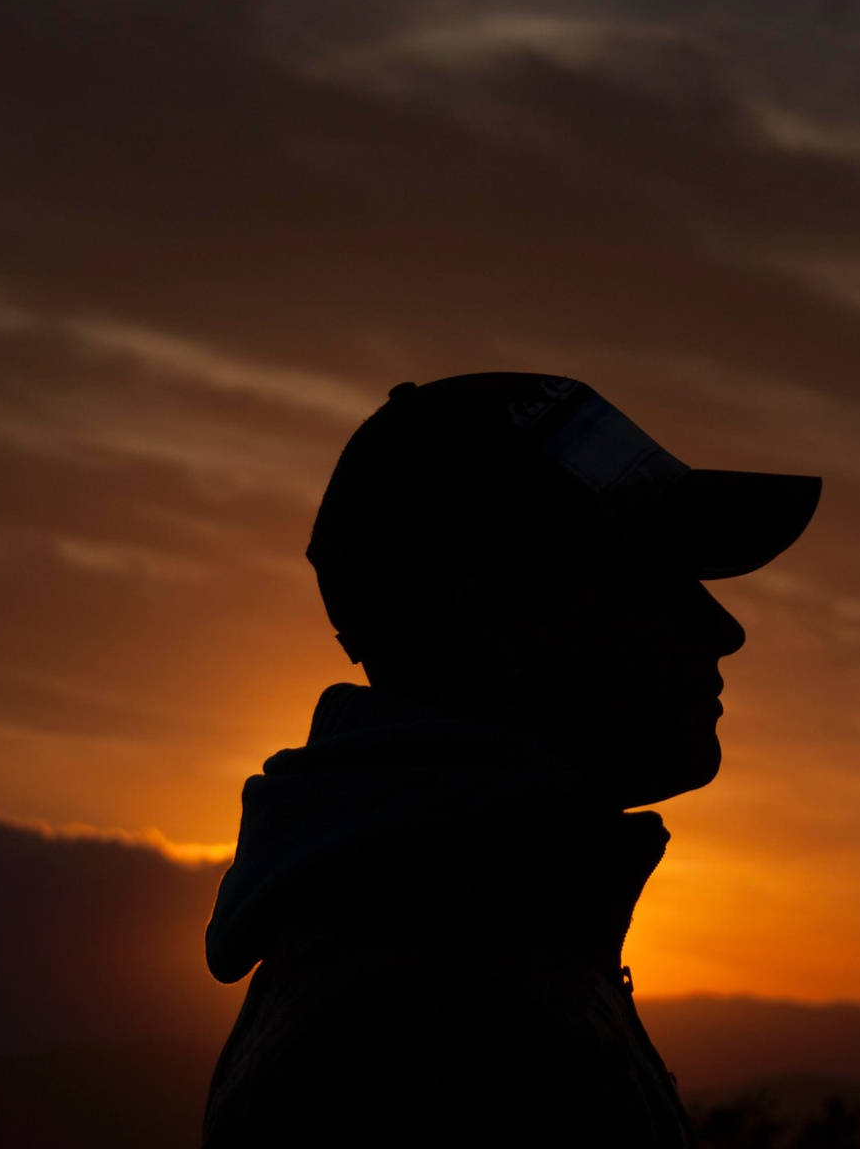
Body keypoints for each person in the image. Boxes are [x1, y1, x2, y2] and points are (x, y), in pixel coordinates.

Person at [202, 373, 820, 1148]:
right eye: (653, 579)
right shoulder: (441, 1023)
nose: (722, 628)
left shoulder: (475, 941)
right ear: (506, 621)